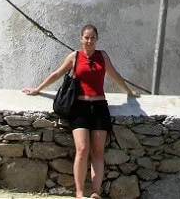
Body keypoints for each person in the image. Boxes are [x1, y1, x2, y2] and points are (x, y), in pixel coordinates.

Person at [23, 24, 139, 199]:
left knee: (98, 151)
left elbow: (114, 75)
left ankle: (96, 192)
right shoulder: (74, 57)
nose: (89, 41)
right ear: (81, 39)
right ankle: (78, 193)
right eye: (86, 37)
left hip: (100, 108)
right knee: (82, 149)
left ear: (97, 39)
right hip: (80, 108)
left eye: (92, 38)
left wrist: (128, 92)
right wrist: (38, 88)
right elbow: (56, 74)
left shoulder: (103, 56)